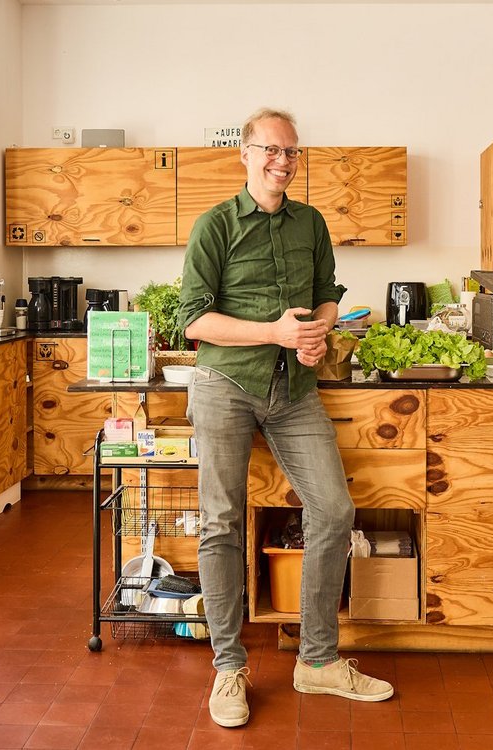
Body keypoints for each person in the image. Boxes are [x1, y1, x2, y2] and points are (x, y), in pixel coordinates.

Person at [178, 107, 394, 728]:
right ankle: (228, 668)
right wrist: (273, 330)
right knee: (221, 521)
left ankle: (318, 661)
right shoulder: (214, 226)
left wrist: (318, 331)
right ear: (245, 154)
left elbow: (327, 291)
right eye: (271, 150)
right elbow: (193, 320)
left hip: (293, 387)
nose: (282, 162)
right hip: (225, 383)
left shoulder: (311, 222)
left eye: (291, 152)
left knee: (334, 509)